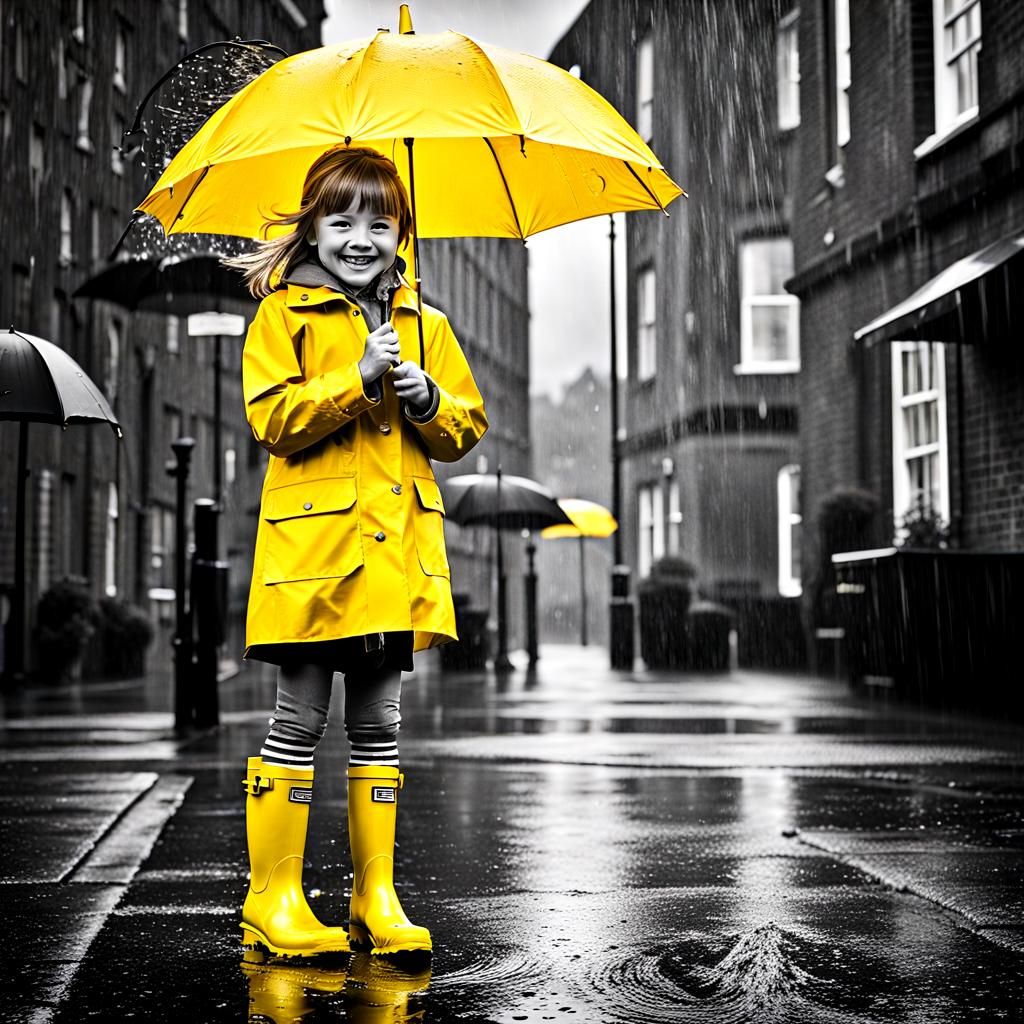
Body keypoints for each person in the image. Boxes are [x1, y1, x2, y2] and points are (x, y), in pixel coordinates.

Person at [230, 146, 488, 958]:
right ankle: (273, 897)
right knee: (298, 719)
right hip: (315, 558)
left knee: (380, 726)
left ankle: (376, 895)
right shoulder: (283, 318)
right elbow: (273, 418)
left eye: (380, 222)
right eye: (341, 222)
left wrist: (427, 398)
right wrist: (359, 377)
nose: (360, 239)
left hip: (392, 564)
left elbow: (465, 428)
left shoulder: (427, 327)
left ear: (402, 231)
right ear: (313, 228)